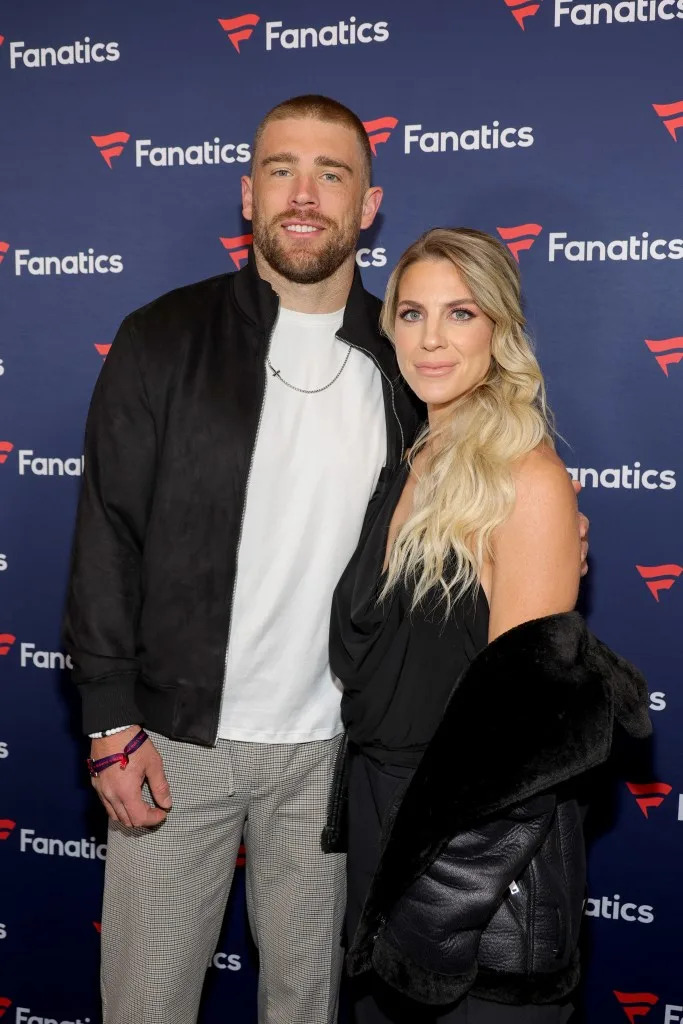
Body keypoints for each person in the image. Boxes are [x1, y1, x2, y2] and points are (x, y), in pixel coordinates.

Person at [64, 96, 588, 1024]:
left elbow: (483, 517)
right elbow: (108, 532)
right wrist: (109, 723)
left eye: (331, 174)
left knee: (308, 1003)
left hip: (334, 755)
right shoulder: (161, 339)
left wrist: (543, 535)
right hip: (175, 742)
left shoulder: (405, 357)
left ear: (367, 203)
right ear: (247, 192)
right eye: (280, 169)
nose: (303, 195)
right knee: (145, 1003)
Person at [327, 228, 651, 1024]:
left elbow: (523, 744)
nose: (430, 338)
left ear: (499, 331)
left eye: (459, 313)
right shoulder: (410, 462)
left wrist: (435, 912)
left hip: (473, 858)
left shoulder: (526, 479)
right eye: (410, 313)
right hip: (382, 821)